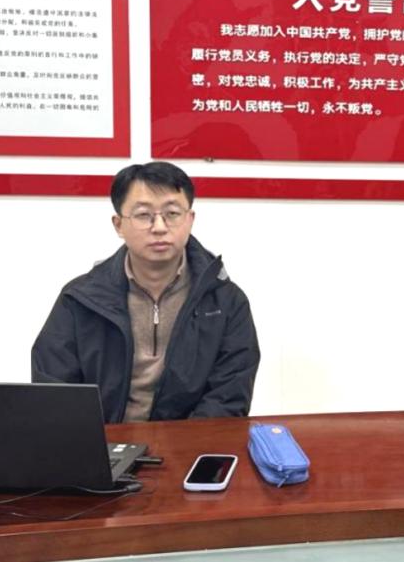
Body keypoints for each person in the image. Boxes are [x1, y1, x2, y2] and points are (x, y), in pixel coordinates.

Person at [32, 161, 259, 422]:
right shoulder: (80, 300)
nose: (159, 227)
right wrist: (96, 440)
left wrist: (183, 442)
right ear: (119, 224)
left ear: (190, 220)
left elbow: (229, 395)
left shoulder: (225, 301)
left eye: (172, 213)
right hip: (104, 440)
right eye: (143, 215)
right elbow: (54, 391)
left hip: (192, 441)